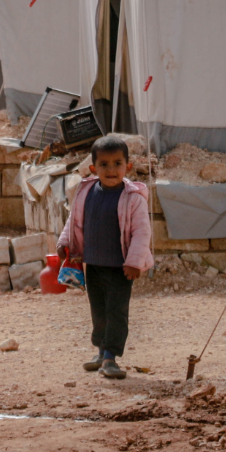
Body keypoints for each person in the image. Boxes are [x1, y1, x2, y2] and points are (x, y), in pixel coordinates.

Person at [56, 135, 154, 380]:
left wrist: (134, 263)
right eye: (104, 164)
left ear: (127, 167)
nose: (111, 170)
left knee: (116, 312)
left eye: (117, 164)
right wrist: (65, 242)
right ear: (93, 168)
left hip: (120, 268)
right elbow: (75, 220)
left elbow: (142, 232)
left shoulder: (133, 197)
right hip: (94, 264)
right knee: (98, 310)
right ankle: (101, 352)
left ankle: (111, 357)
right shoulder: (86, 192)